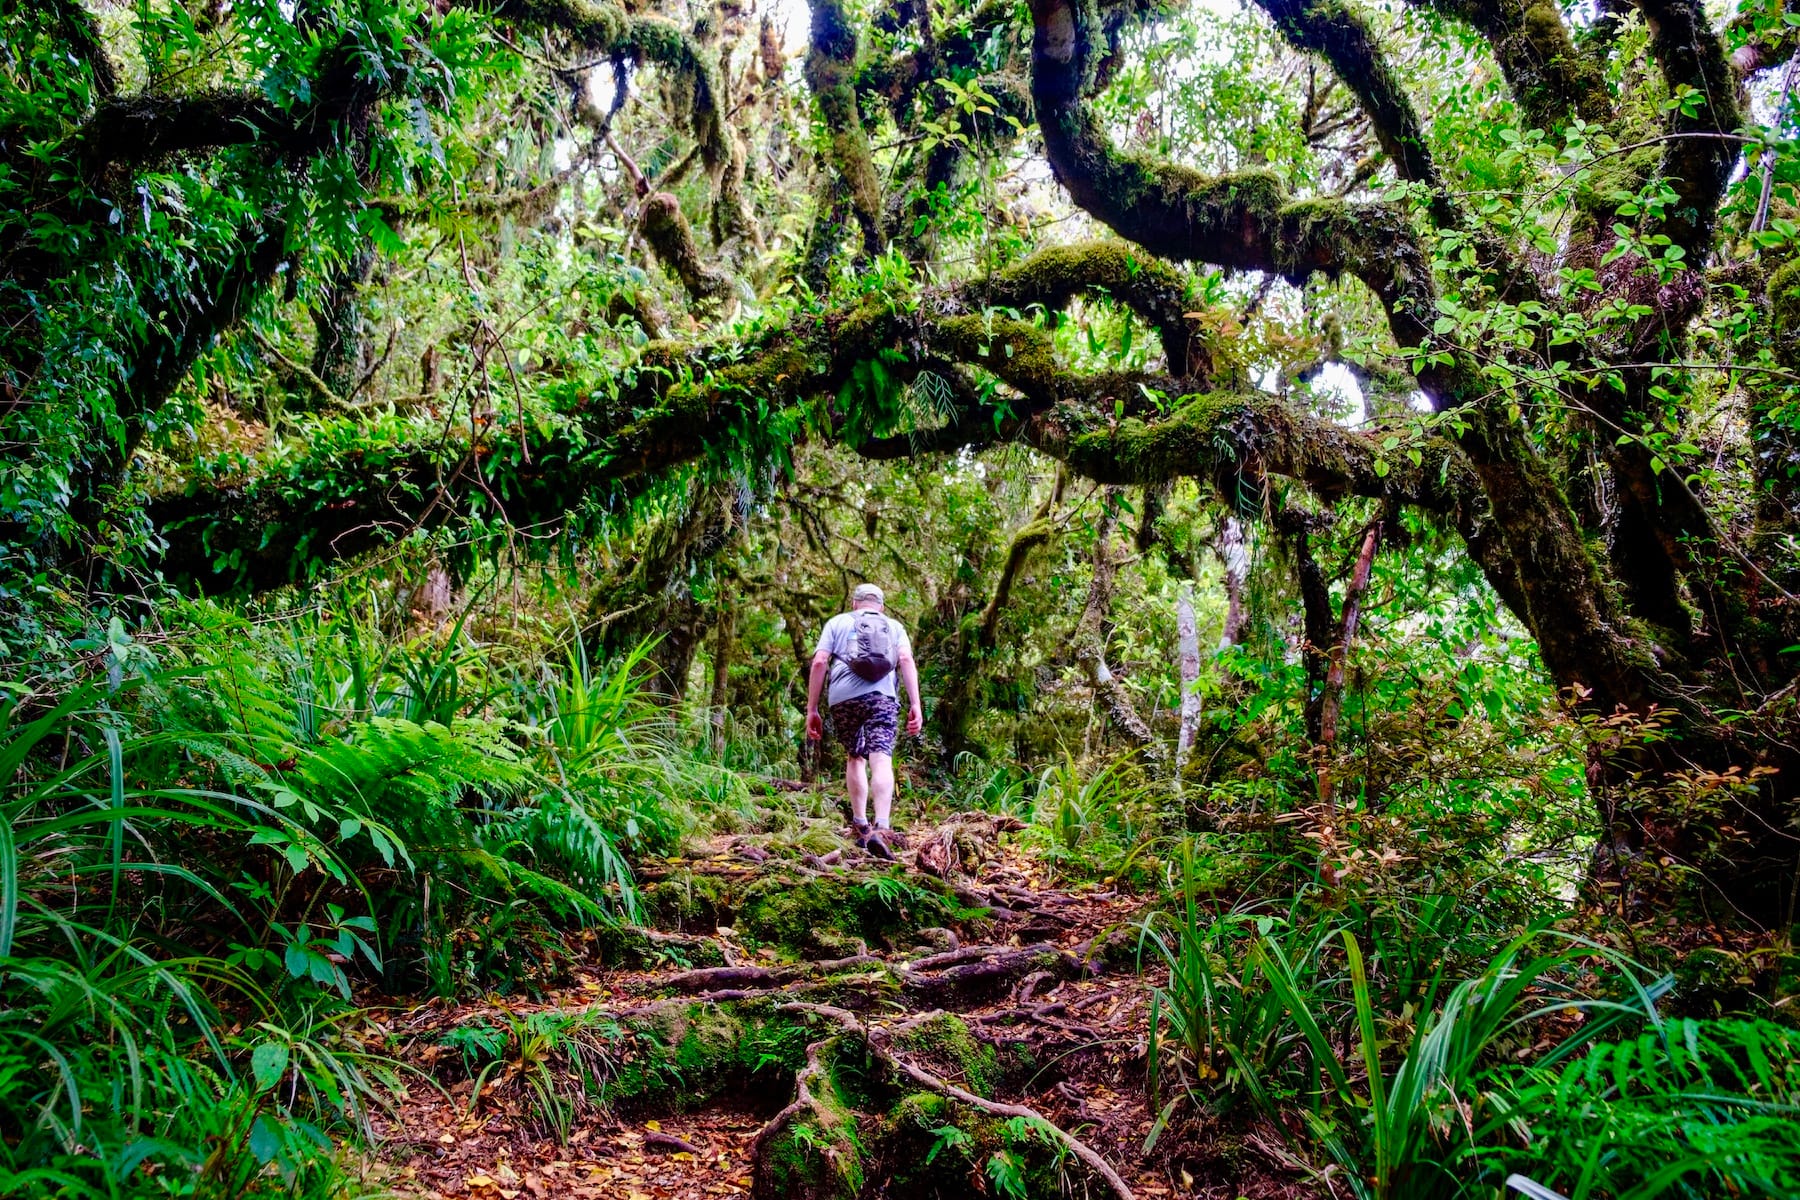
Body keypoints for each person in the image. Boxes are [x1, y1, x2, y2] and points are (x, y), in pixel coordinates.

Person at [805, 583, 923, 860]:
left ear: (855, 603)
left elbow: (820, 662)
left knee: (855, 756)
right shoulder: (893, 626)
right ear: (880, 606)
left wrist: (812, 708)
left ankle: (860, 822)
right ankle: (882, 825)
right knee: (880, 758)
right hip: (882, 697)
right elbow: (905, 658)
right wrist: (916, 704)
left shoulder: (837, 622)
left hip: (843, 698)